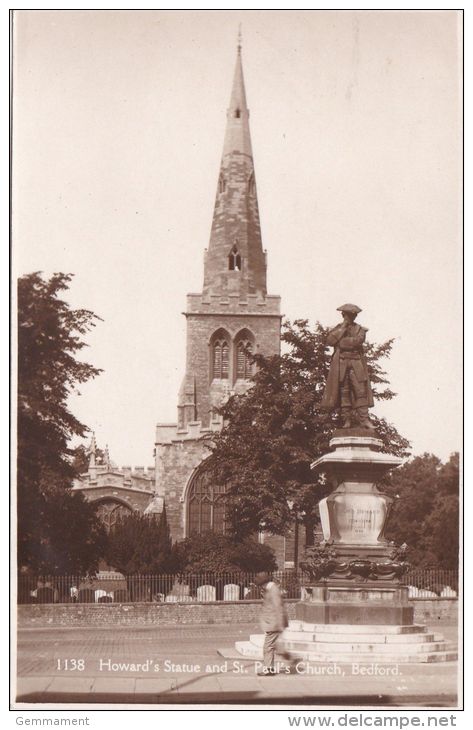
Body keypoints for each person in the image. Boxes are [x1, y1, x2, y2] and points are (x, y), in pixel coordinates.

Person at [321, 303, 375, 430]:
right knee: (343, 392)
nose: (351, 317)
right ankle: (346, 420)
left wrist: (342, 342)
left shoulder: (360, 330)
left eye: (352, 315)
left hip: (356, 362)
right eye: (348, 315)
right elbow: (330, 341)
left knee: (360, 391)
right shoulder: (338, 328)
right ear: (343, 315)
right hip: (341, 364)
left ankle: (364, 420)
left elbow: (357, 342)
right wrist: (343, 329)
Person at [254, 572, 288, 676]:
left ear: (263, 583)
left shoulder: (273, 590)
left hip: (274, 623)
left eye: (260, 585)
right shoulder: (269, 589)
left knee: (268, 646)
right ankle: (288, 658)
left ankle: (269, 669)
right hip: (272, 622)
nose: (260, 587)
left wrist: (280, 624)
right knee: (273, 646)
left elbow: (278, 606)